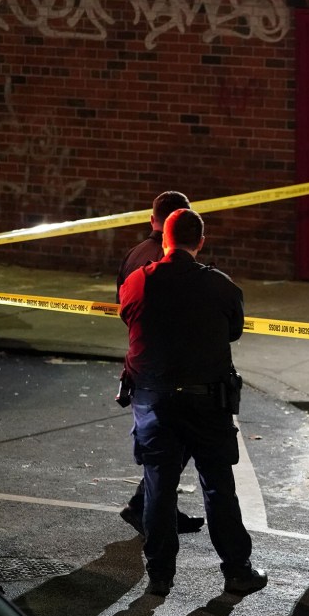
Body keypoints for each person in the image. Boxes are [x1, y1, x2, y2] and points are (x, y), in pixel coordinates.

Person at [119, 208, 267, 597]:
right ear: (200, 242)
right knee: (218, 487)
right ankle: (237, 571)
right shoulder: (220, 285)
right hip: (207, 403)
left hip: (155, 402)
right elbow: (234, 330)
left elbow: (128, 319)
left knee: (159, 487)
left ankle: (160, 575)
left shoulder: (138, 282)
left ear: (163, 239)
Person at [116, 190, 204, 537]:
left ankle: (155, 506)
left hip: (145, 364)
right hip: (164, 369)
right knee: (172, 445)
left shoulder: (135, 253)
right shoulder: (159, 260)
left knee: (165, 448)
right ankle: (148, 511)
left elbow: (124, 307)